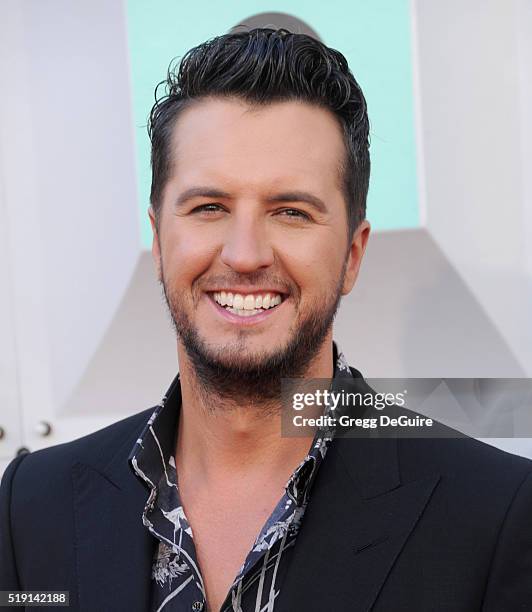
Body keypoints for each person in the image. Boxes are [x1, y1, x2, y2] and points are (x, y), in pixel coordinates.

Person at [1, 28, 531, 612]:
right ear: (158, 239)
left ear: (352, 254)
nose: (245, 253)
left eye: (291, 211)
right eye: (209, 207)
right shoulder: (32, 508)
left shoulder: (496, 518)